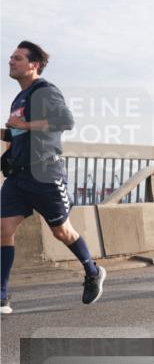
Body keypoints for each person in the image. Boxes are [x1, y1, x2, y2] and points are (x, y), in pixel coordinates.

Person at [1, 41, 106, 315]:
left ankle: (92, 271)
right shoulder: (19, 99)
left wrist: (23, 125)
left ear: (33, 64)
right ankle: (1, 296)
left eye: (17, 58)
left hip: (45, 173)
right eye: (11, 57)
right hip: (18, 176)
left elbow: (65, 121)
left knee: (62, 232)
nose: (10, 61)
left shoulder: (45, 92)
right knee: (4, 228)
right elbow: (15, 134)